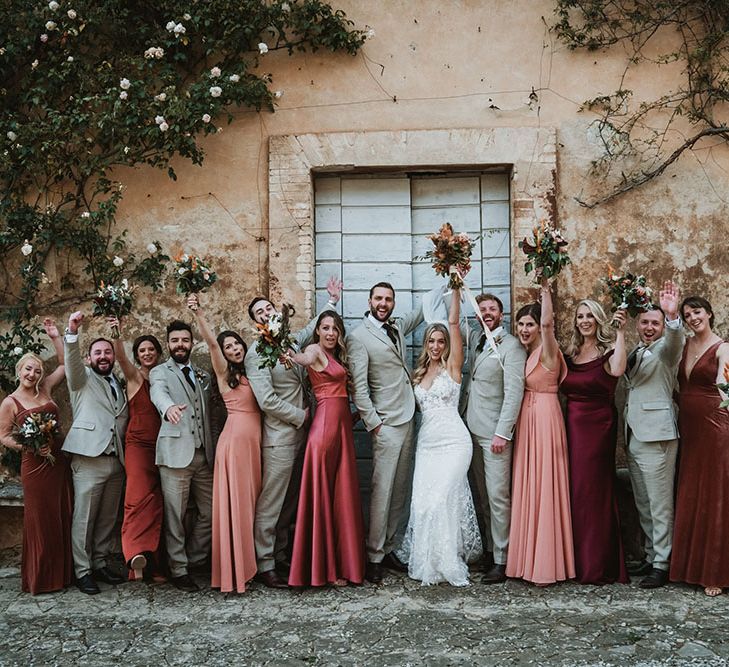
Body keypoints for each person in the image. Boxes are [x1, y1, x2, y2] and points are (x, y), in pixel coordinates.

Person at [245, 277, 342, 589]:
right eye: (259, 311)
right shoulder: (256, 352)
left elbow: (311, 328)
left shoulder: (288, 342)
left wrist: (331, 302)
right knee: (272, 502)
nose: (265, 312)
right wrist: (301, 417)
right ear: (254, 321)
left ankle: (283, 553)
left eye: (269, 308)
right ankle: (264, 563)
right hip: (280, 437)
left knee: (290, 501)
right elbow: (267, 400)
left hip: (306, 435)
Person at [397, 286, 482, 586]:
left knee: (443, 498)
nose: (435, 345)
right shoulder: (418, 374)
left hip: (455, 443)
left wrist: (456, 289)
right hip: (428, 444)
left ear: (447, 344)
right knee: (424, 503)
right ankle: (429, 562)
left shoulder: (453, 368)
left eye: (440, 341)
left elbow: (455, 323)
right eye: (431, 340)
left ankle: (449, 560)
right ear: (425, 343)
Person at [347, 282, 424, 584]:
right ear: (369, 300)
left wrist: (451, 278)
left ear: (393, 302)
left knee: (400, 488)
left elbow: (420, 314)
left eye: (388, 299)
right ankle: (374, 554)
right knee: (382, 490)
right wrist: (374, 423)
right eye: (378, 298)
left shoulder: (396, 327)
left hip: (407, 418)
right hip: (385, 424)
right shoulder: (358, 337)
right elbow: (360, 387)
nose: (383, 303)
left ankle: (390, 546)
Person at [285, 311, 366, 587]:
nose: (331, 333)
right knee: (326, 495)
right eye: (326, 328)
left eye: (335, 329)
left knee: (338, 496)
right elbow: (305, 359)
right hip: (325, 431)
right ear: (317, 330)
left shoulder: (336, 356)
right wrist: (293, 356)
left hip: (340, 428)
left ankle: (341, 565)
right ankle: (326, 570)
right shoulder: (314, 349)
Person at [188, 294, 261, 594]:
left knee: (252, 505)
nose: (233, 349)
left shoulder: (254, 369)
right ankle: (236, 571)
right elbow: (212, 344)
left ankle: (249, 563)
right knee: (237, 507)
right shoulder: (223, 374)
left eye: (237, 345)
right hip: (235, 444)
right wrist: (199, 315)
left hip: (255, 442)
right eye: (229, 346)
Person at [506, 282, 575, 586]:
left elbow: (549, 322)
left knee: (545, 483)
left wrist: (546, 288)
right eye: (520, 324)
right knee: (527, 484)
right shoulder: (523, 352)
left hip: (546, 417)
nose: (524, 329)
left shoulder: (549, 349)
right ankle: (525, 561)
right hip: (526, 418)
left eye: (529, 324)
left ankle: (547, 563)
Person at [0, 320, 73, 595]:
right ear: (20, 371)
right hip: (35, 467)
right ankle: (41, 579)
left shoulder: (45, 390)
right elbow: (4, 436)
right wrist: (30, 446)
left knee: (60, 514)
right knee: (41, 519)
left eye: (37, 370)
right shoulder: (10, 402)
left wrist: (56, 337)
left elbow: (65, 367)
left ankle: (62, 575)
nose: (32, 373)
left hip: (58, 463)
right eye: (28, 369)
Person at [561, 300, 628, 585]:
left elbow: (617, 371)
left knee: (594, 491)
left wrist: (621, 333)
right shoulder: (572, 353)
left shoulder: (607, 351)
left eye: (589, 315)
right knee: (574, 490)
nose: (585, 320)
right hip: (571, 426)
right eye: (580, 316)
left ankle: (597, 563)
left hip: (599, 426)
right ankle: (573, 561)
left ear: (598, 319)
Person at [461, 292, 526, 583]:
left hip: (495, 434)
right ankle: (489, 549)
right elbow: (452, 320)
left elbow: (514, 392)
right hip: (472, 428)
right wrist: (454, 280)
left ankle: (503, 558)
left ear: (501, 314)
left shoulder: (511, 346)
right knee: (484, 497)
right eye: (482, 309)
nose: (487, 312)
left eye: (492, 309)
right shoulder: (476, 340)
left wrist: (503, 432)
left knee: (499, 496)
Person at [622, 281, 684, 589]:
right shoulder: (638, 349)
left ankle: (663, 562)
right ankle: (650, 554)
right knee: (643, 501)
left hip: (658, 434)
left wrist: (673, 318)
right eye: (645, 322)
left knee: (660, 503)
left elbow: (675, 342)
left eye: (655, 323)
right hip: (634, 433)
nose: (649, 327)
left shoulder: (666, 349)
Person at [63, 311, 129, 594]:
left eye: (107, 352)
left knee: (106, 518)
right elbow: (72, 363)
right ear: (89, 358)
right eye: (98, 352)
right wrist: (72, 332)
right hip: (88, 460)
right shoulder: (82, 379)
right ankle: (82, 570)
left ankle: (100, 563)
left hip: (116, 461)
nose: (103, 356)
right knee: (84, 518)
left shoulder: (118, 384)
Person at [670, 296, 729, 597]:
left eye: (697, 312)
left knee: (715, 492)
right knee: (692, 489)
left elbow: (725, 387)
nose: (693, 318)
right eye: (688, 314)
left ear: (709, 313)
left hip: (716, 427)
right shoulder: (684, 345)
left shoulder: (724, 348)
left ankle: (716, 571)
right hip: (689, 428)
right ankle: (688, 566)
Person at [150, 318, 214, 593]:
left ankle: (195, 558)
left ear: (192, 342)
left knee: (211, 512)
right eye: (175, 340)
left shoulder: (202, 374)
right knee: (175, 515)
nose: (180, 345)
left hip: (203, 455)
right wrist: (168, 409)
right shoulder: (159, 372)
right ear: (168, 343)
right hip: (175, 455)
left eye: (185, 340)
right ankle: (178, 569)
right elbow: (158, 394)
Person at [108, 317, 165, 582]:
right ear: (137, 356)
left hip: (163, 447)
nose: (147, 353)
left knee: (157, 504)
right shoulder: (134, 377)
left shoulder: (165, 376)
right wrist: (117, 333)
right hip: (139, 446)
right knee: (136, 500)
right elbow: (120, 358)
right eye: (142, 350)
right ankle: (134, 557)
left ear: (158, 352)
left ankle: (152, 562)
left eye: (151, 349)